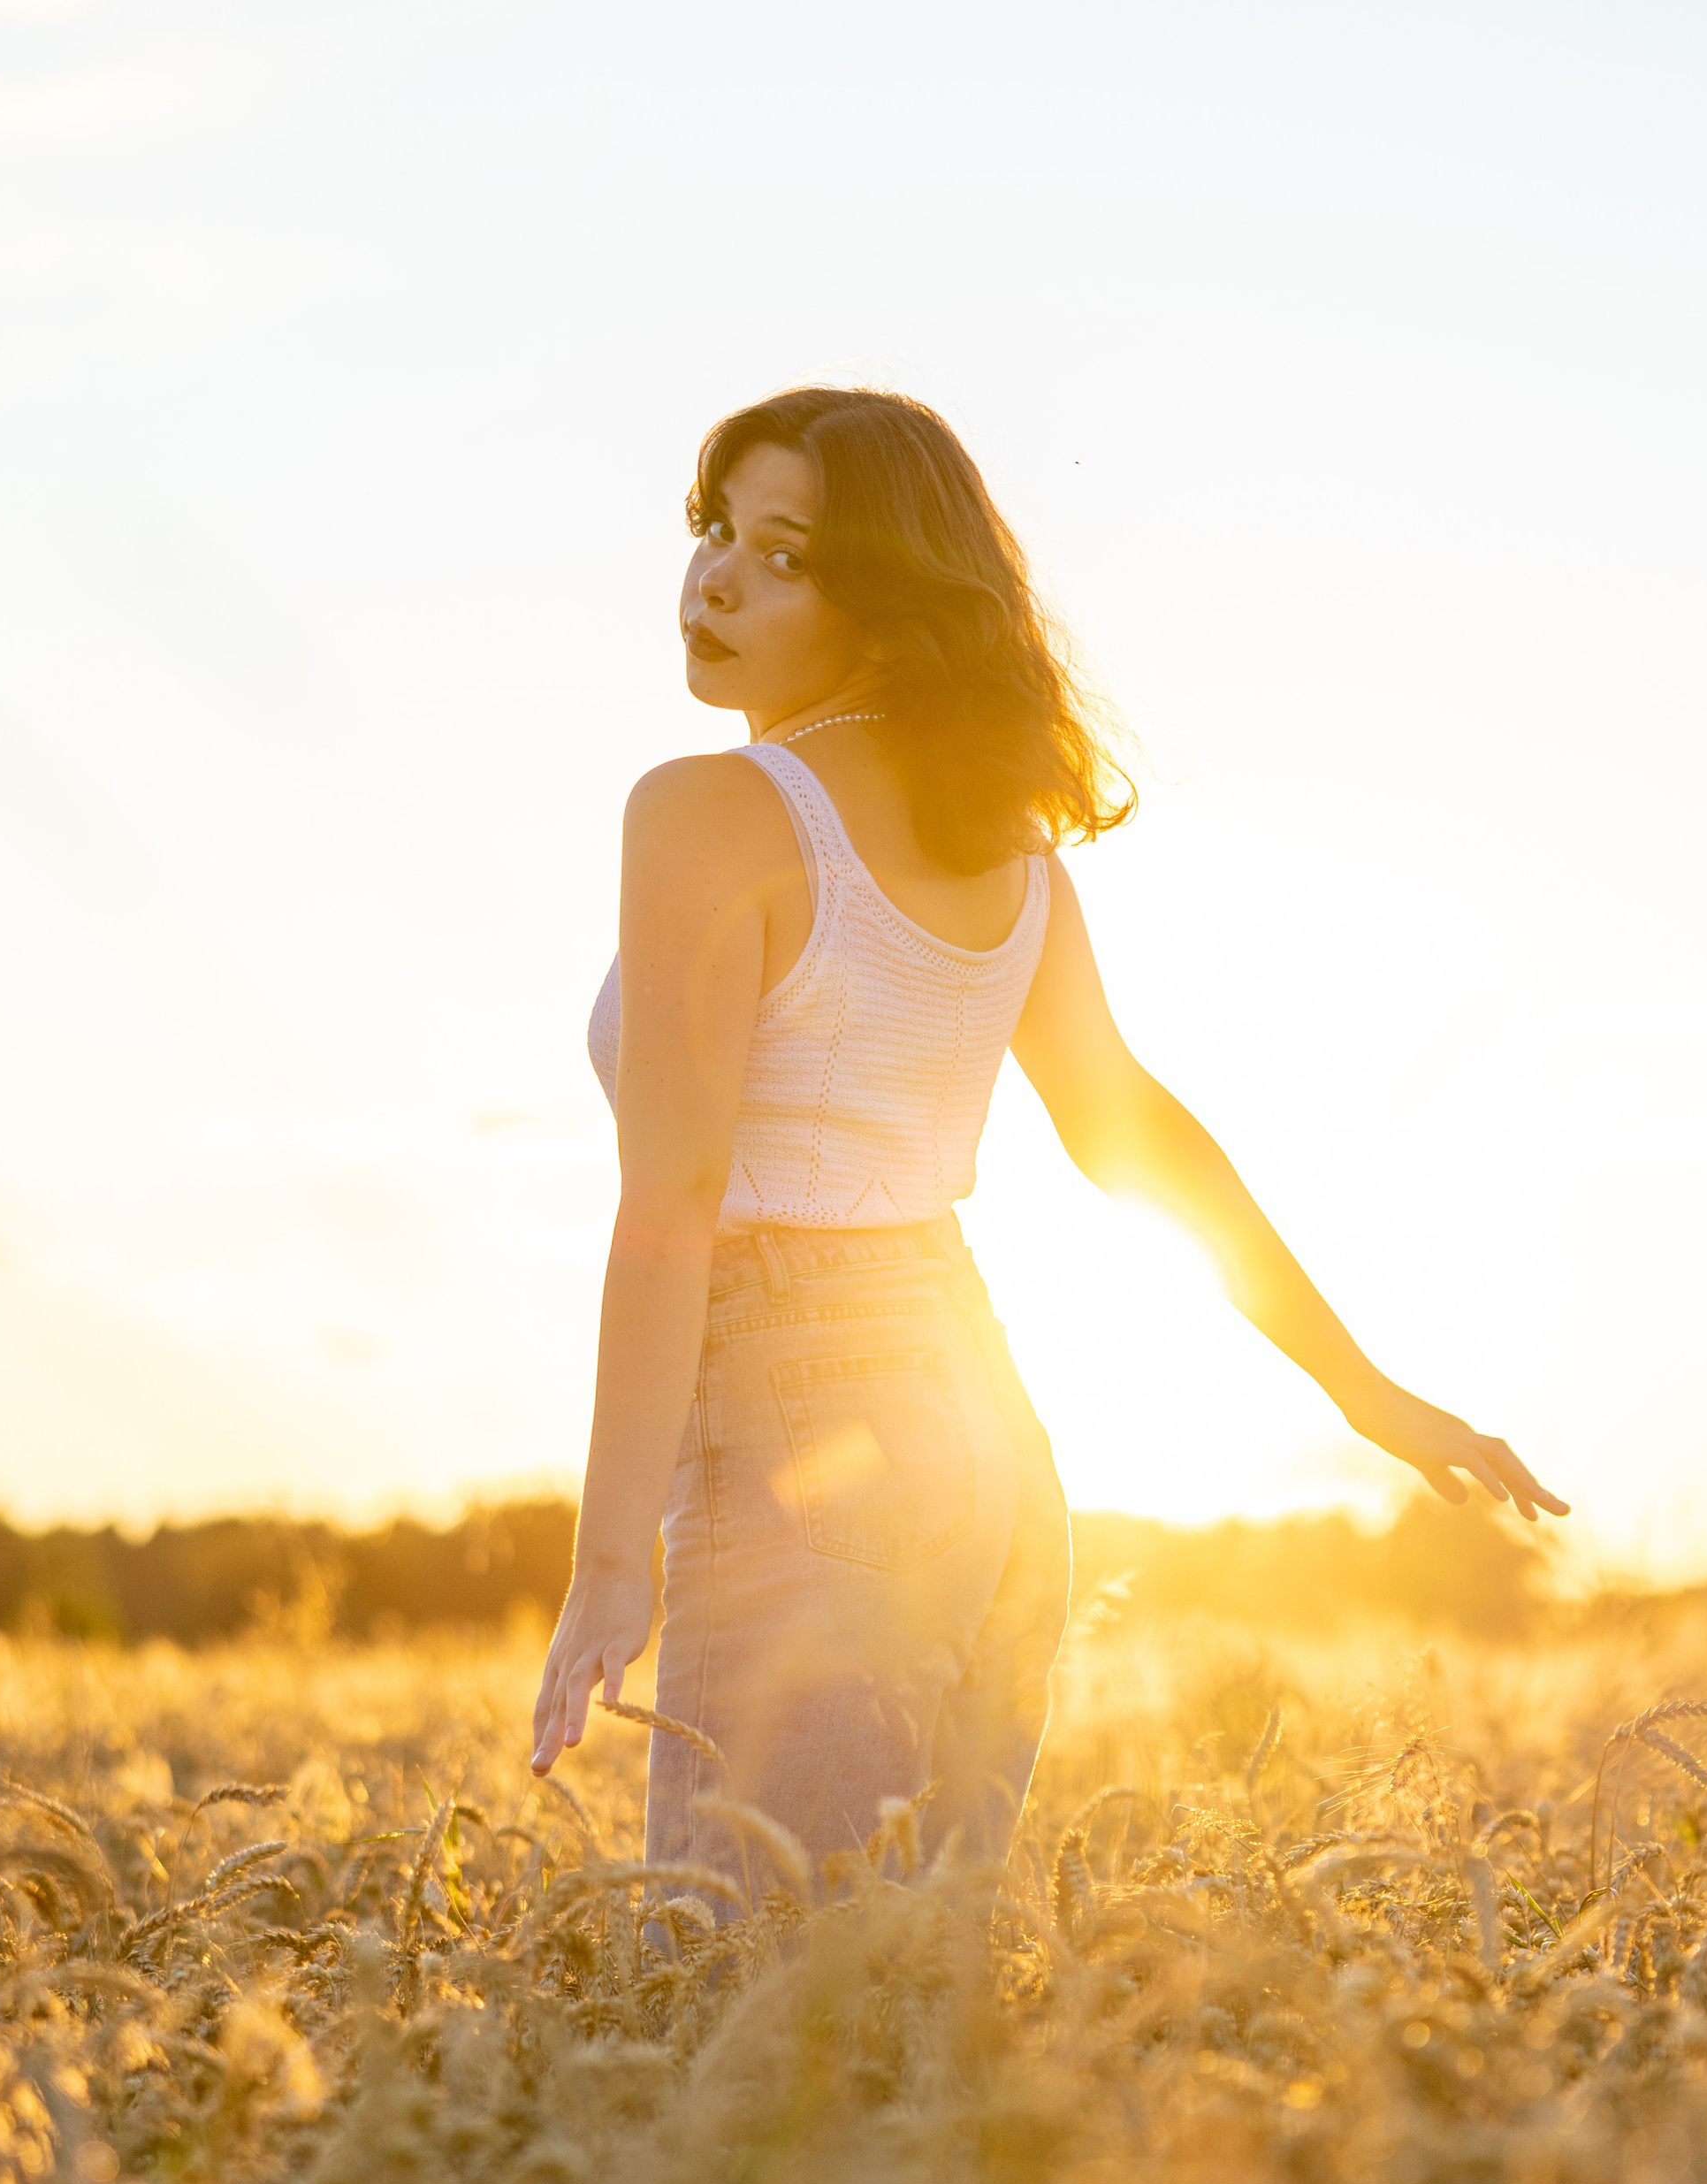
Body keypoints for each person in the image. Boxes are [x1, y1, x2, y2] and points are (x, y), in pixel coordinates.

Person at [530, 386, 1566, 1897]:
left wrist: (612, 1564)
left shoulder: (707, 812)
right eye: (715, 532)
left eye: (786, 555)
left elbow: (675, 1204)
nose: (718, 581)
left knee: (744, 1992)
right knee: (912, 1984)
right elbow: (1133, 1132)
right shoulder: (1009, 866)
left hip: (797, 1436)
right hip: (988, 1451)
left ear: (888, 603)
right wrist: (1365, 1391)